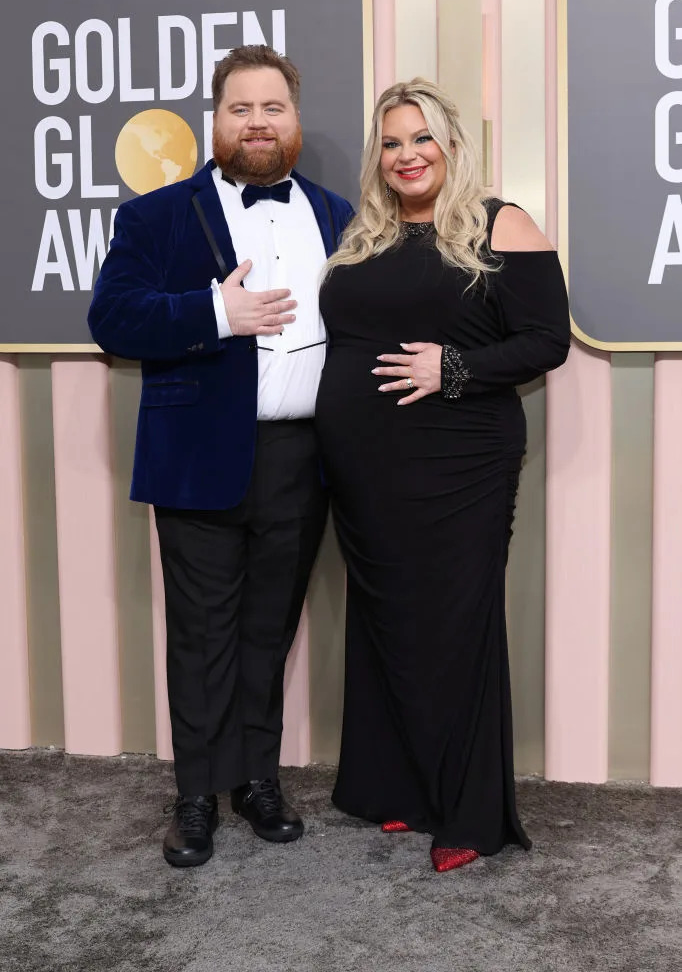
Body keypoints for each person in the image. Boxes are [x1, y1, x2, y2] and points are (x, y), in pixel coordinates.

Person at [88, 45, 353, 867]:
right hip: (198, 456)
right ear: (216, 120)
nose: (258, 123)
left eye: (272, 107)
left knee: (268, 632)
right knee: (202, 635)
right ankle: (196, 797)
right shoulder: (156, 216)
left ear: (295, 119)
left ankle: (257, 781)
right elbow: (114, 320)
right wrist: (215, 311)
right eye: (241, 108)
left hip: (303, 458)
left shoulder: (339, 214)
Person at [315, 78, 570, 872]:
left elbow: (545, 341)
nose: (406, 155)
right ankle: (398, 787)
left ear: (451, 146)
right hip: (365, 469)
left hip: (460, 464)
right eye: (390, 143)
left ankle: (470, 813)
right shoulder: (365, 237)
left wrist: (452, 366)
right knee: (387, 622)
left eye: (420, 138)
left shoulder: (501, 224)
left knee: (455, 630)